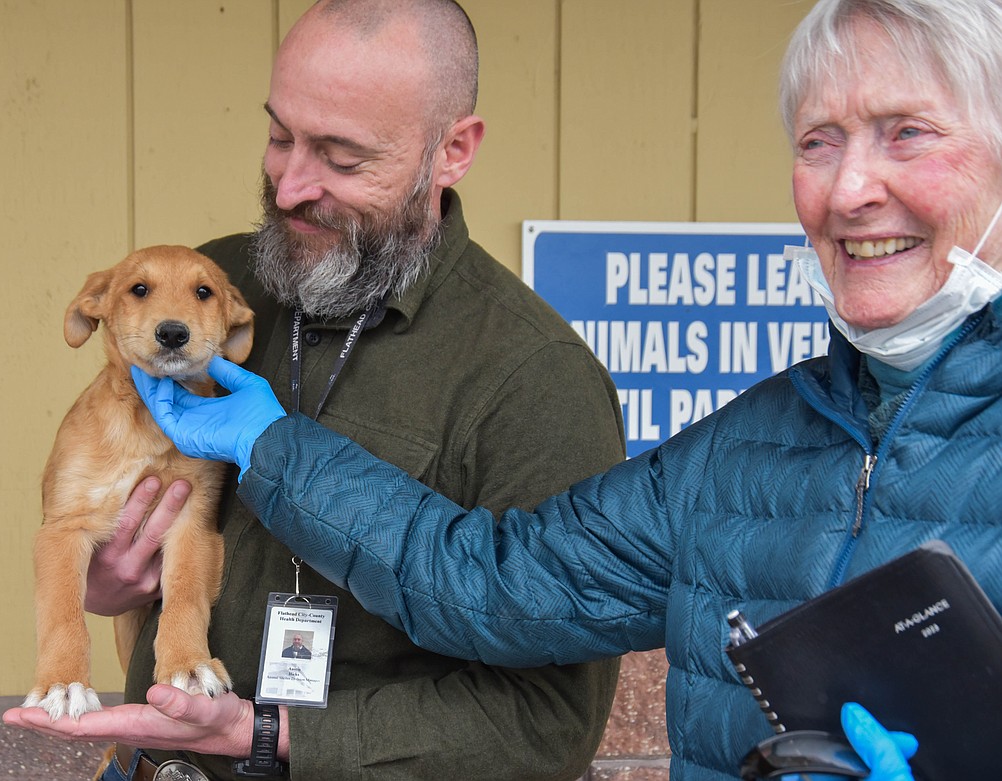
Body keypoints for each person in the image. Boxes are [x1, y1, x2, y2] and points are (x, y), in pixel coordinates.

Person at [122, 0, 1002, 778]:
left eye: (908, 134)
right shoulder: (742, 451)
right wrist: (268, 447)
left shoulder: (531, 368)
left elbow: (543, 722)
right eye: (819, 142)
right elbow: (488, 582)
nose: (850, 190)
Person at [4, 1, 626, 779]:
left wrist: (268, 733)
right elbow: (113, 506)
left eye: (342, 157)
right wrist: (110, 576)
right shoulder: (212, 287)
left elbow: (548, 725)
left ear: (452, 151)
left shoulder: (535, 380)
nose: (292, 186)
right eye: (278, 136)